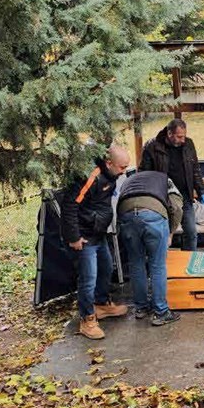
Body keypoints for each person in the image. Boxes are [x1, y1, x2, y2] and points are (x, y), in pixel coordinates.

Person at [60, 144, 130, 340]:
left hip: (98, 234)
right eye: (122, 167)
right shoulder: (90, 177)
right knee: (88, 279)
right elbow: (70, 206)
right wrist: (73, 237)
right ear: (109, 163)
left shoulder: (112, 177)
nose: (124, 172)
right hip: (83, 237)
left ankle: (101, 304)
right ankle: (87, 319)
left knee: (107, 269)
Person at [118, 169, 184, 326]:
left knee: (136, 263)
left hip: (126, 215)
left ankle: (141, 308)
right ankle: (161, 312)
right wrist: (171, 233)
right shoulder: (166, 179)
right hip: (153, 215)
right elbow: (176, 207)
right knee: (157, 265)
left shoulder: (130, 179)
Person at [139, 118, 204, 251]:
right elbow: (144, 173)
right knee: (162, 234)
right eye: (179, 136)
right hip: (162, 198)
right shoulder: (152, 146)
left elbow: (195, 169)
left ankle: (188, 262)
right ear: (170, 134)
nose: (183, 140)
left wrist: (202, 191)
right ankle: (162, 263)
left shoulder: (188, 144)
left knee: (191, 232)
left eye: (184, 136)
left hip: (185, 196)